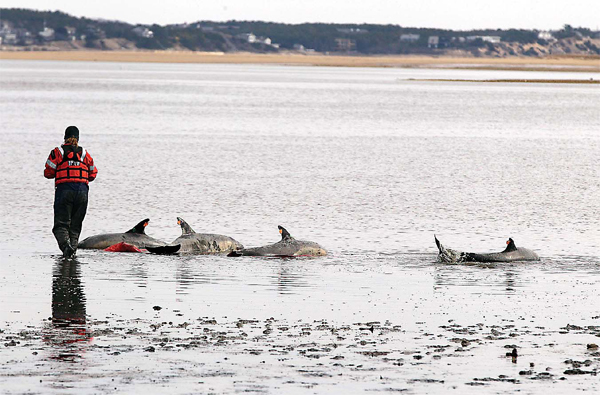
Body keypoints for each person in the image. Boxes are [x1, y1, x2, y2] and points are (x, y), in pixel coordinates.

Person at [44, 126, 98, 258]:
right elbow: (93, 174)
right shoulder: (85, 153)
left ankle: (66, 248)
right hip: (82, 193)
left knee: (61, 226)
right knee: (75, 227)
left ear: (65, 137)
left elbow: (48, 172)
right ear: (78, 139)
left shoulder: (57, 152)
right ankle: (72, 254)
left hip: (65, 190)